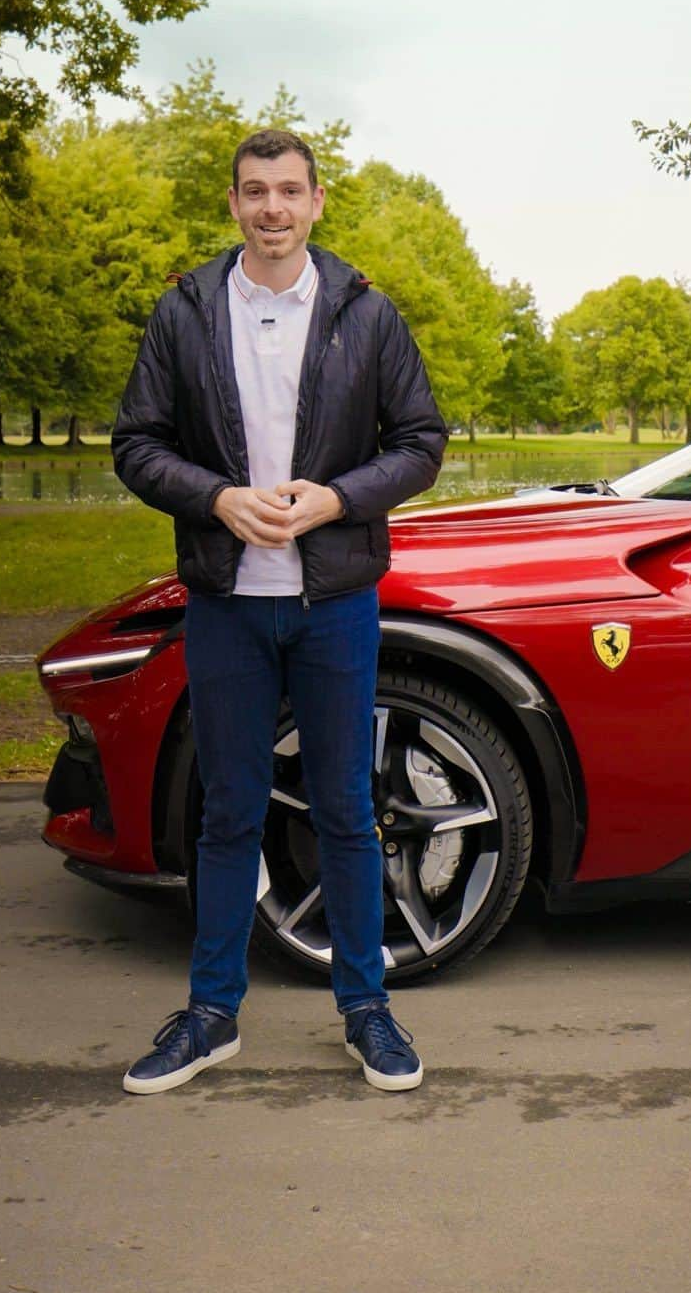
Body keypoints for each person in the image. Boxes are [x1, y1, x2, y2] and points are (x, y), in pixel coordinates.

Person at [112, 127, 447, 1095]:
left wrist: (336, 499)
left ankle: (366, 1010)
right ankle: (211, 1014)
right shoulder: (184, 312)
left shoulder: (365, 313)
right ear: (232, 204)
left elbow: (422, 439)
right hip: (225, 604)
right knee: (227, 811)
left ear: (316, 201)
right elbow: (136, 443)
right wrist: (217, 499)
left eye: (288, 191)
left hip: (335, 600)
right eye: (254, 191)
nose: (271, 208)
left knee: (346, 809)